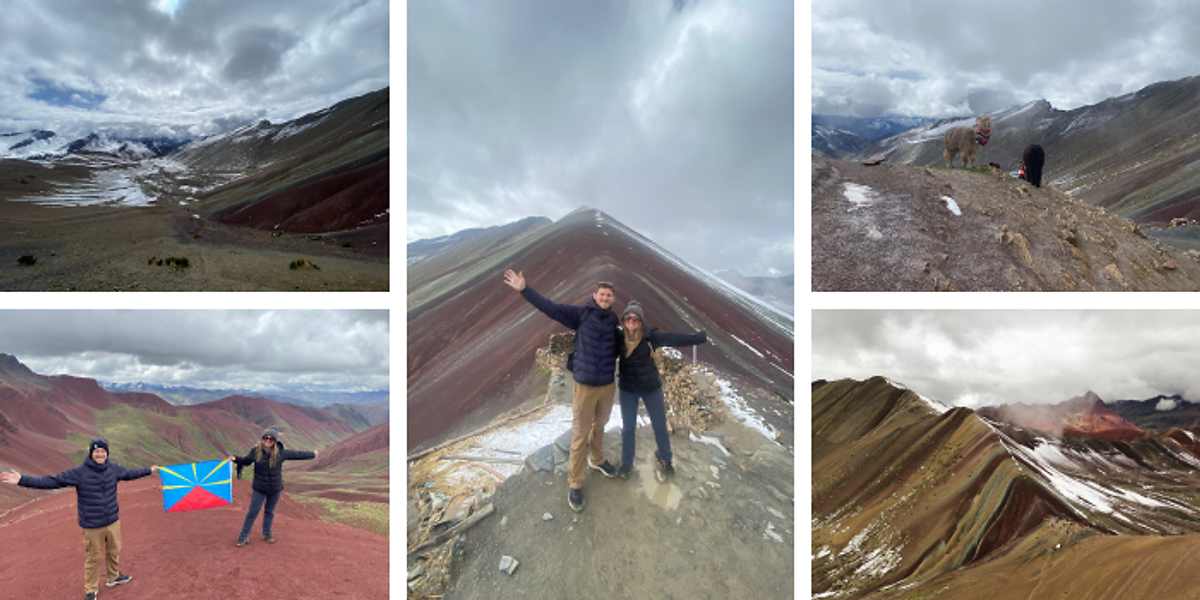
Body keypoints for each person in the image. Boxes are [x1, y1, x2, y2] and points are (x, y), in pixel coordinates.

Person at [504, 269, 620, 512]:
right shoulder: (581, 314)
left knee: (600, 426)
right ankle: (576, 483)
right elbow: (551, 308)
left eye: (609, 295)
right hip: (586, 385)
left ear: (613, 299)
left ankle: (597, 459)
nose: (605, 298)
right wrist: (525, 289)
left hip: (607, 385)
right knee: (580, 433)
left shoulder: (614, 321)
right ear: (594, 295)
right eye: (602, 294)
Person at [1, 438, 159, 600]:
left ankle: (113, 577)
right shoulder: (79, 472)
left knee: (114, 551)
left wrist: (149, 470)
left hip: (112, 521)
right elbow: (51, 482)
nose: (100, 454)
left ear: (107, 453)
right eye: (96, 451)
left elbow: (130, 474)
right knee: (93, 558)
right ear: (91, 453)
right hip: (92, 525)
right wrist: (21, 480)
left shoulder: (113, 469)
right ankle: (91, 591)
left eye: (103, 451)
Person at [616, 300, 707, 479]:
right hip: (628, 388)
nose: (631, 321)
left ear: (641, 320)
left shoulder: (651, 335)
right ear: (624, 320)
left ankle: (666, 459)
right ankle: (627, 463)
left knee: (660, 426)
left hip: (650, 387)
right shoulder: (619, 338)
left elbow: (673, 338)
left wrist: (697, 338)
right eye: (628, 318)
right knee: (628, 428)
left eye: (635, 318)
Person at [228, 427, 317, 547]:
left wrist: (313, 454)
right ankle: (243, 536)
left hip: (275, 489)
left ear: (275, 440)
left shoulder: (281, 452)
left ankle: (267, 533)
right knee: (253, 512)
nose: (268, 440)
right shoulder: (256, 451)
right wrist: (236, 459)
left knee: (269, 511)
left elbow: (298, 454)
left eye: (271, 438)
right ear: (263, 438)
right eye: (266, 437)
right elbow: (246, 461)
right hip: (259, 488)